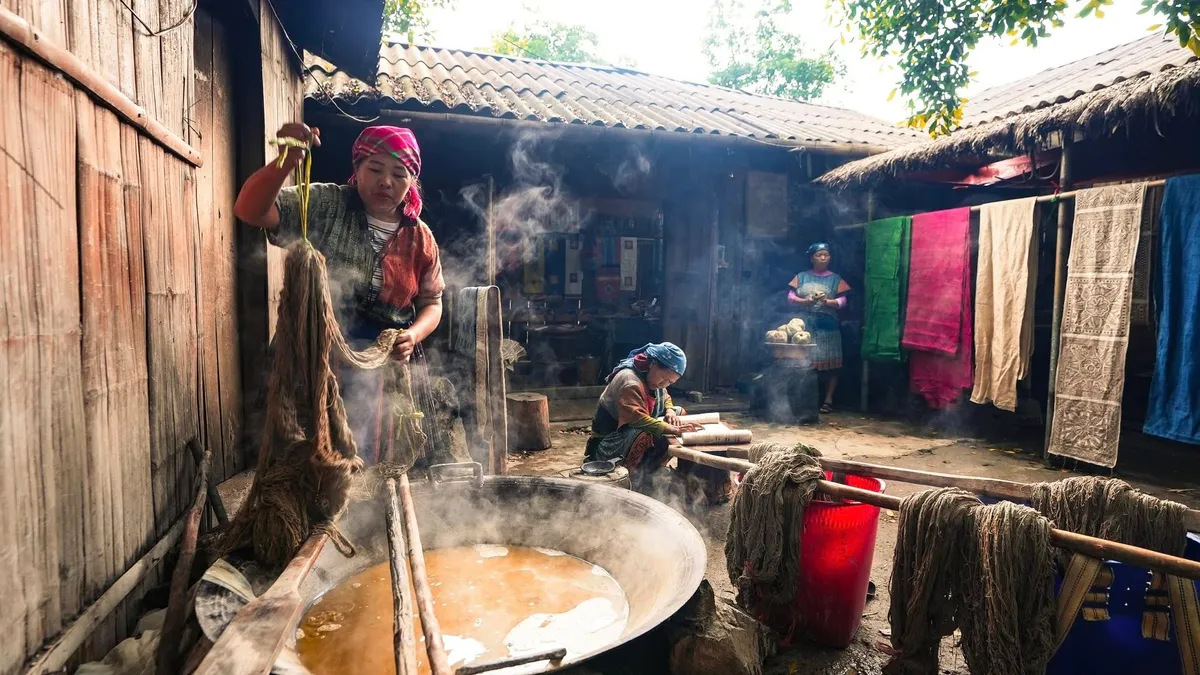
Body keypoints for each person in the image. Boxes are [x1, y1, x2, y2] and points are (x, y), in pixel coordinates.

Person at [234, 123, 445, 465]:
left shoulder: (420, 238)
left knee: (364, 456)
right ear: (357, 169)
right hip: (314, 354)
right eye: (375, 169)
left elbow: (432, 302)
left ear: (412, 181)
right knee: (303, 452)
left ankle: (364, 512)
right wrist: (286, 162)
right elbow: (250, 210)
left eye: (399, 173)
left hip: (379, 365)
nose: (386, 182)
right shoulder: (326, 204)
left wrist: (412, 334)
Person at [585, 343, 701, 492]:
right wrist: (671, 429)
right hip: (609, 440)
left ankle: (652, 468)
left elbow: (665, 396)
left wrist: (670, 411)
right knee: (645, 433)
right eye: (664, 379)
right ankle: (633, 478)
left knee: (679, 414)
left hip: (632, 428)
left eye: (670, 382)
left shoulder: (652, 377)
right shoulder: (630, 381)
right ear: (653, 364)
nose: (664, 384)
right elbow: (636, 419)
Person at [788, 242, 851, 414]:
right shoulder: (801, 277)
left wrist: (827, 302)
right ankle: (806, 398)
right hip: (805, 325)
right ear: (811, 258)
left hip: (828, 324)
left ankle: (828, 399)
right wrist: (805, 301)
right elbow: (790, 296)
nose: (823, 258)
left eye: (826, 254)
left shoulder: (836, 279)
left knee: (831, 363)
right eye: (818, 255)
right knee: (804, 362)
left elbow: (843, 301)